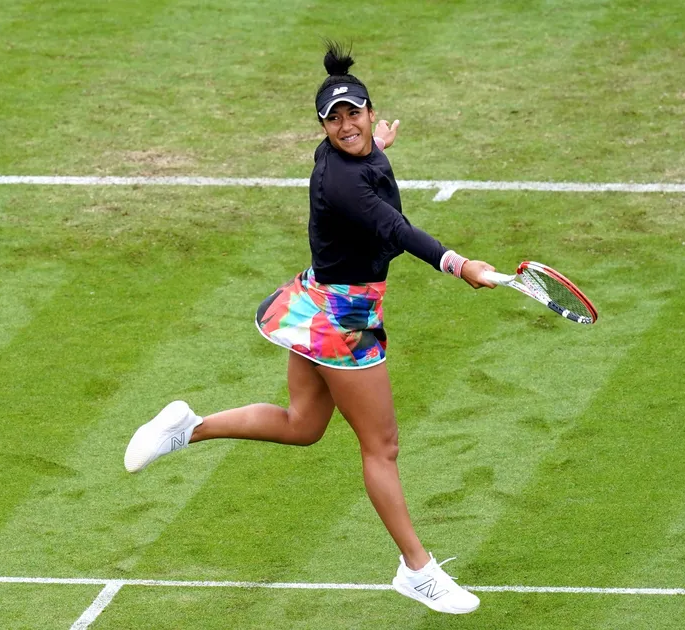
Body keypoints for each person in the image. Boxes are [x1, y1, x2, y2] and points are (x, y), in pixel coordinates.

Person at [123, 42, 497, 615]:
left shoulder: (345, 155)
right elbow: (396, 229)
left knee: (302, 426)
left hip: (317, 300)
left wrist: (379, 150)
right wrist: (459, 264)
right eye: (335, 119)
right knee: (382, 446)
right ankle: (417, 570)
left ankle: (188, 429)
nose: (346, 125)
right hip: (343, 322)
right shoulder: (346, 183)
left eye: (354, 113)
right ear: (321, 127)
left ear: (372, 113)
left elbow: (366, 165)